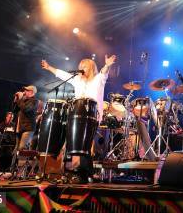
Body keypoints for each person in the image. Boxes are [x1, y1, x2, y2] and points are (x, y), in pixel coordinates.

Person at [41, 54, 116, 183]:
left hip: (92, 115)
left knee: (84, 144)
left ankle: (83, 172)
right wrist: (49, 67)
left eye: (84, 66)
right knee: (76, 143)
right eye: (80, 66)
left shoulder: (98, 79)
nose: (81, 68)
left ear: (91, 68)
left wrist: (107, 65)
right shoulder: (77, 79)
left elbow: (104, 73)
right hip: (76, 115)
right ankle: (81, 172)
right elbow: (63, 74)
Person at [12, 85, 40, 151]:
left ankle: (22, 161)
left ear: (31, 92)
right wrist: (16, 100)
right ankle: (16, 161)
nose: (24, 91)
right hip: (20, 128)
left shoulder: (34, 101)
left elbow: (25, 109)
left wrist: (21, 99)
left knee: (22, 148)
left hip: (28, 128)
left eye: (26, 90)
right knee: (16, 150)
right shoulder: (24, 101)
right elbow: (15, 110)